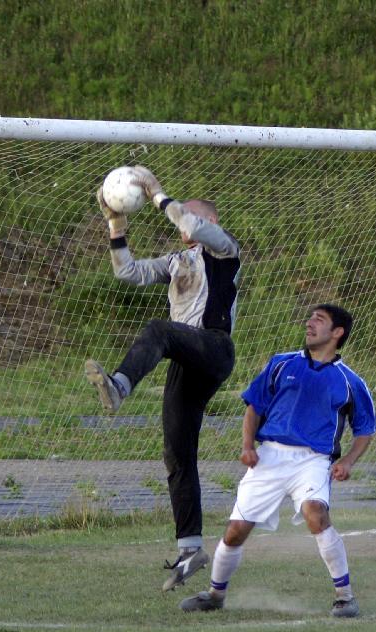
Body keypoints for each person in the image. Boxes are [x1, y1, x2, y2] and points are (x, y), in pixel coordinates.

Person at [86, 166, 241, 592]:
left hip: (213, 348)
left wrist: (157, 195)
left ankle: (119, 386)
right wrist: (116, 225)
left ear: (209, 222)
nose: (179, 225)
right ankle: (191, 547)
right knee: (176, 453)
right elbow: (127, 272)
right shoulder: (177, 260)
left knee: (158, 329)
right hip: (183, 358)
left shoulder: (225, 249)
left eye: (189, 217)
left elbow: (188, 222)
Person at [179, 304, 376, 618]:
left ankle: (345, 597)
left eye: (319, 320)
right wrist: (247, 445)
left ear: (337, 333)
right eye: (310, 316)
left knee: (316, 514)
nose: (309, 322)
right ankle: (215, 595)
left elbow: (365, 429)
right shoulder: (280, 363)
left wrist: (349, 461)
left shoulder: (350, 381)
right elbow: (254, 406)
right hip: (269, 456)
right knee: (235, 530)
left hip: (313, 460)